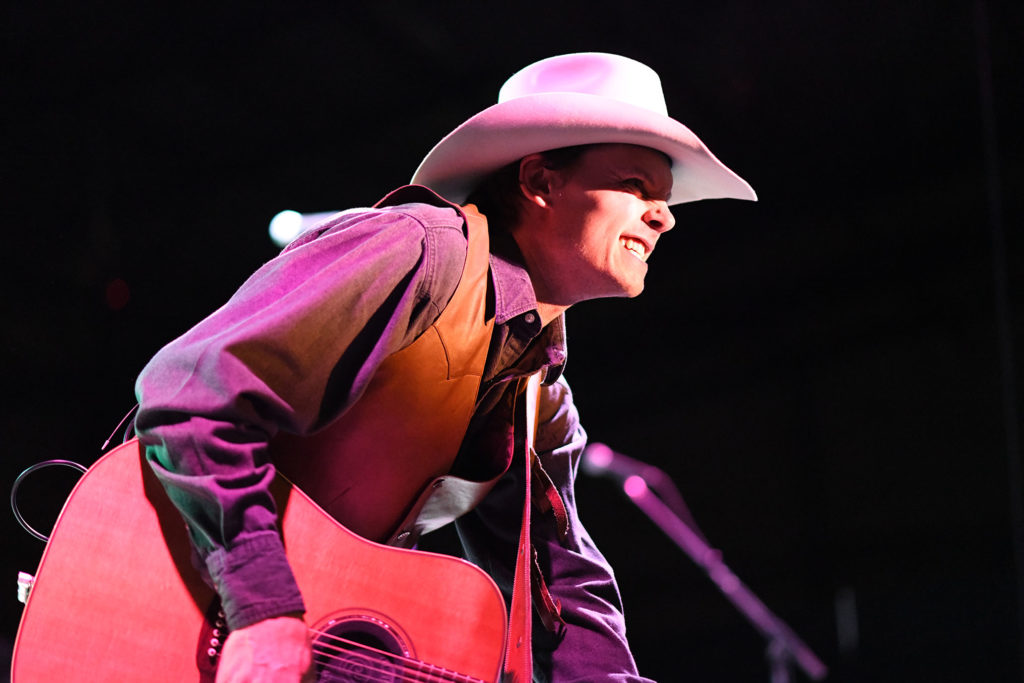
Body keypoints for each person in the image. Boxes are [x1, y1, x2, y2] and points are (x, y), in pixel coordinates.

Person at [135, 52, 755, 682]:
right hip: (159, 605)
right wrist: (262, 609)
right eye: (636, 186)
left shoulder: (542, 393)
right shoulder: (419, 248)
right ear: (541, 182)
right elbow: (188, 397)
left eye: (666, 198)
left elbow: (559, 580)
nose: (665, 216)